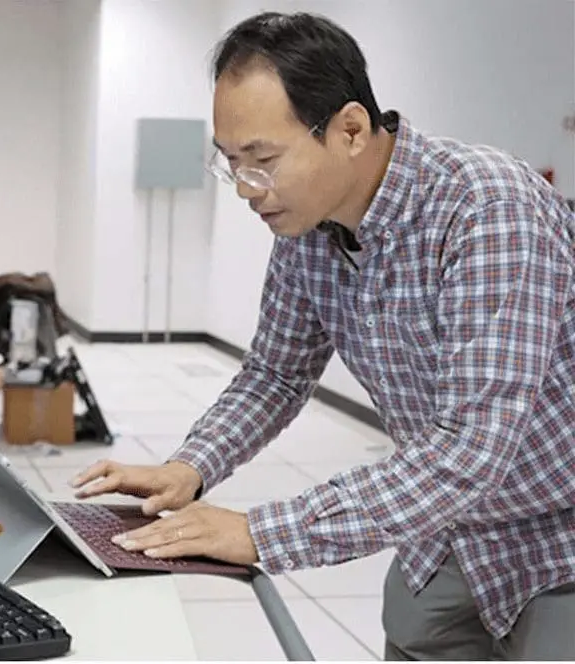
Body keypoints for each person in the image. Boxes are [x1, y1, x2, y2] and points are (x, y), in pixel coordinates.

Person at [70, 11, 575, 661]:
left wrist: (263, 533)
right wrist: (188, 468)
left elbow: (470, 450)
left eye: (265, 160)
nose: (249, 190)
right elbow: (276, 373)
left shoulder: (486, 206)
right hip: (444, 532)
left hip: (556, 541)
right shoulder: (309, 232)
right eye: (232, 164)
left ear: (351, 129)